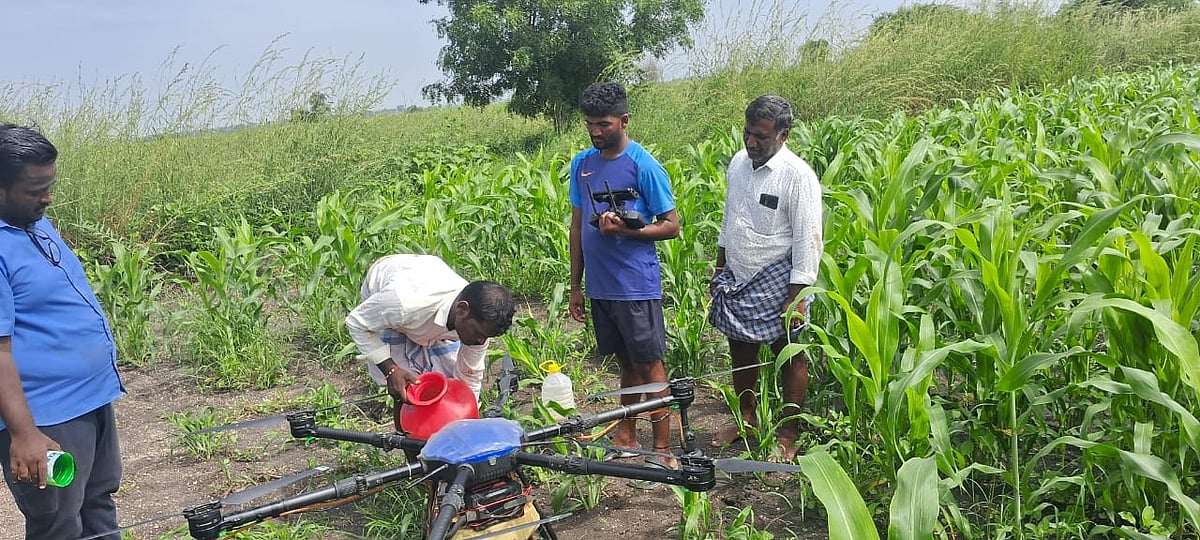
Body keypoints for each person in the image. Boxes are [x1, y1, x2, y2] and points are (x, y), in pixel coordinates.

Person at [0, 124, 125, 539]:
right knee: (58, 523)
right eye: (35, 188)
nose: (47, 197)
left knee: (98, 503)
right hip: (46, 417)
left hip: (90, 400)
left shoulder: (33, 223)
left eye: (50, 184)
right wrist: (24, 434)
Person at [568, 82, 680, 467]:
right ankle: (627, 433)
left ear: (624, 120)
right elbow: (578, 225)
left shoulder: (643, 165)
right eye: (589, 125)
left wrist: (627, 230)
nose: (596, 132)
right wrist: (575, 286)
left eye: (603, 124)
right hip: (601, 286)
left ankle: (663, 449)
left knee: (650, 363)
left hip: (635, 285)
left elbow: (671, 226)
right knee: (625, 362)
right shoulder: (582, 165)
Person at [707, 95, 823, 462]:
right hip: (740, 275)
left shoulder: (798, 177)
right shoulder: (739, 164)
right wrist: (721, 265)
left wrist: (797, 296)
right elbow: (731, 217)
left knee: (788, 355)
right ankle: (746, 419)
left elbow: (809, 239)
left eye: (761, 136)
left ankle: (789, 432)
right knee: (741, 349)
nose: (751, 143)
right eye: (748, 133)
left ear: (783, 135)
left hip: (779, 279)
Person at [346, 254, 516, 410]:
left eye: (486, 337)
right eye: (479, 334)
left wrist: (467, 413)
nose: (481, 342)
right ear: (462, 309)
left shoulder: (478, 325)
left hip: (428, 297)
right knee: (406, 385)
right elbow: (357, 323)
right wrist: (391, 370)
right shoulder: (402, 303)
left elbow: (469, 376)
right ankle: (404, 433)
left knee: (446, 381)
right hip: (390, 287)